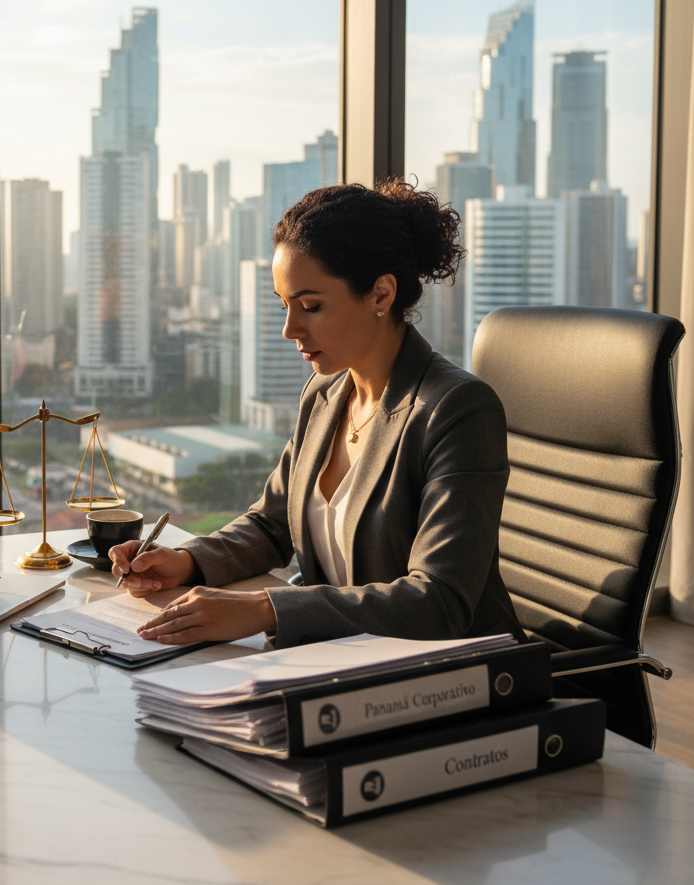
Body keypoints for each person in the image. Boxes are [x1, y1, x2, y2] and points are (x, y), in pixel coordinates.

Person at [110, 179, 525, 649]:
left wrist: (267, 608)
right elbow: (272, 523)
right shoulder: (325, 393)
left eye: (310, 306)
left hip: (451, 672)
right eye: (284, 306)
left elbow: (440, 600)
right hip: (339, 658)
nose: (290, 329)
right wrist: (186, 561)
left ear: (381, 295)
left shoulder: (455, 409)